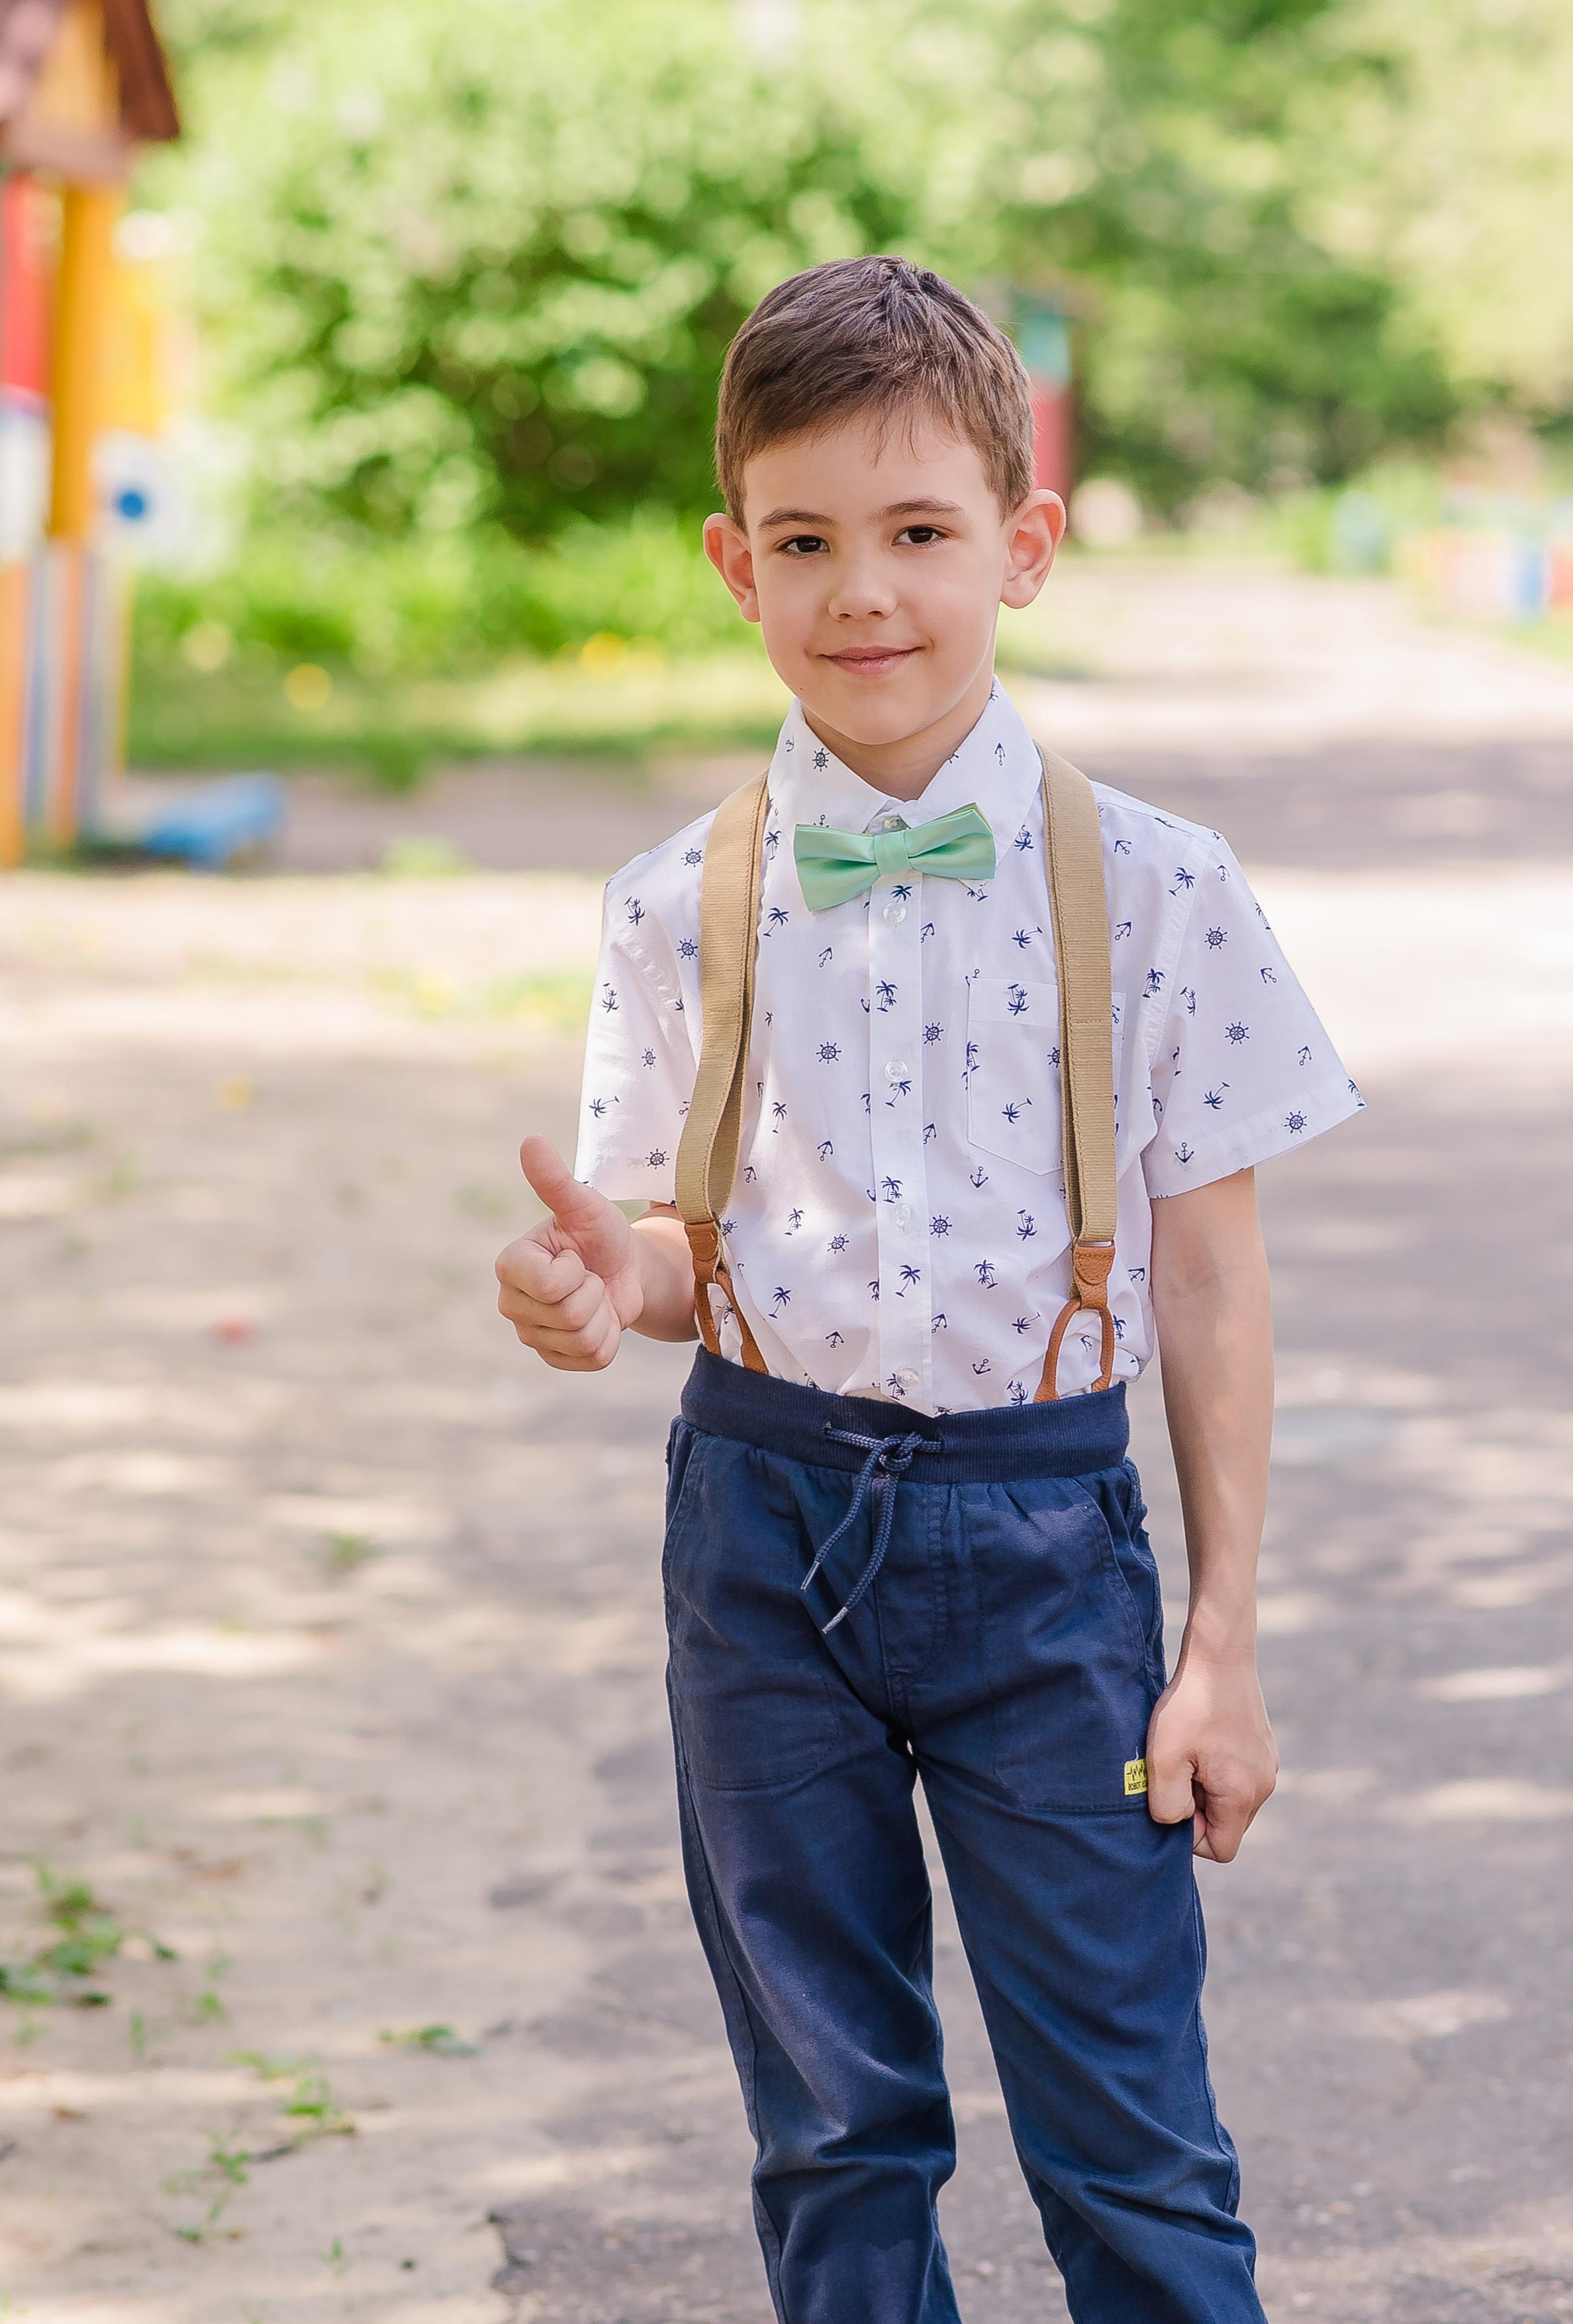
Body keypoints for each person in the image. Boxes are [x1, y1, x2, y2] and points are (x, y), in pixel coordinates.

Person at [494, 256, 1362, 2323]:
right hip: (761, 1539)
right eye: (805, 541)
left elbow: (1215, 1292)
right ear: (734, 563)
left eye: (918, 534)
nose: (863, 592)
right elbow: (688, 1251)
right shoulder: (667, 907)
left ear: (1023, 545)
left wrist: (1221, 1644)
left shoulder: (1162, 888)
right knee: (832, 2125)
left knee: (1129, 2132)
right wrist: (610, 1281)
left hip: (1049, 1546)